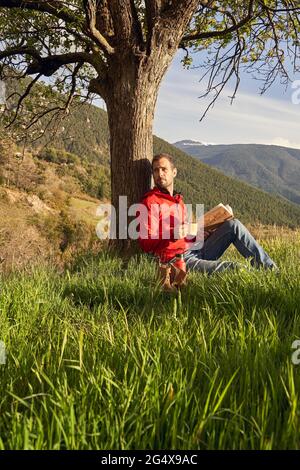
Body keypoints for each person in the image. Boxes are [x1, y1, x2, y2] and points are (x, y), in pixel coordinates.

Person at [138, 153, 278, 278]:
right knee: (234, 268)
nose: (159, 173)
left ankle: (273, 272)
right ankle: (260, 278)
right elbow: (145, 243)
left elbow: (185, 236)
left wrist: (200, 234)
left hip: (195, 248)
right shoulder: (150, 202)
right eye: (156, 170)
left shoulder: (178, 201)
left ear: (174, 172)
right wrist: (171, 233)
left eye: (164, 169)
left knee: (233, 225)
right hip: (178, 259)